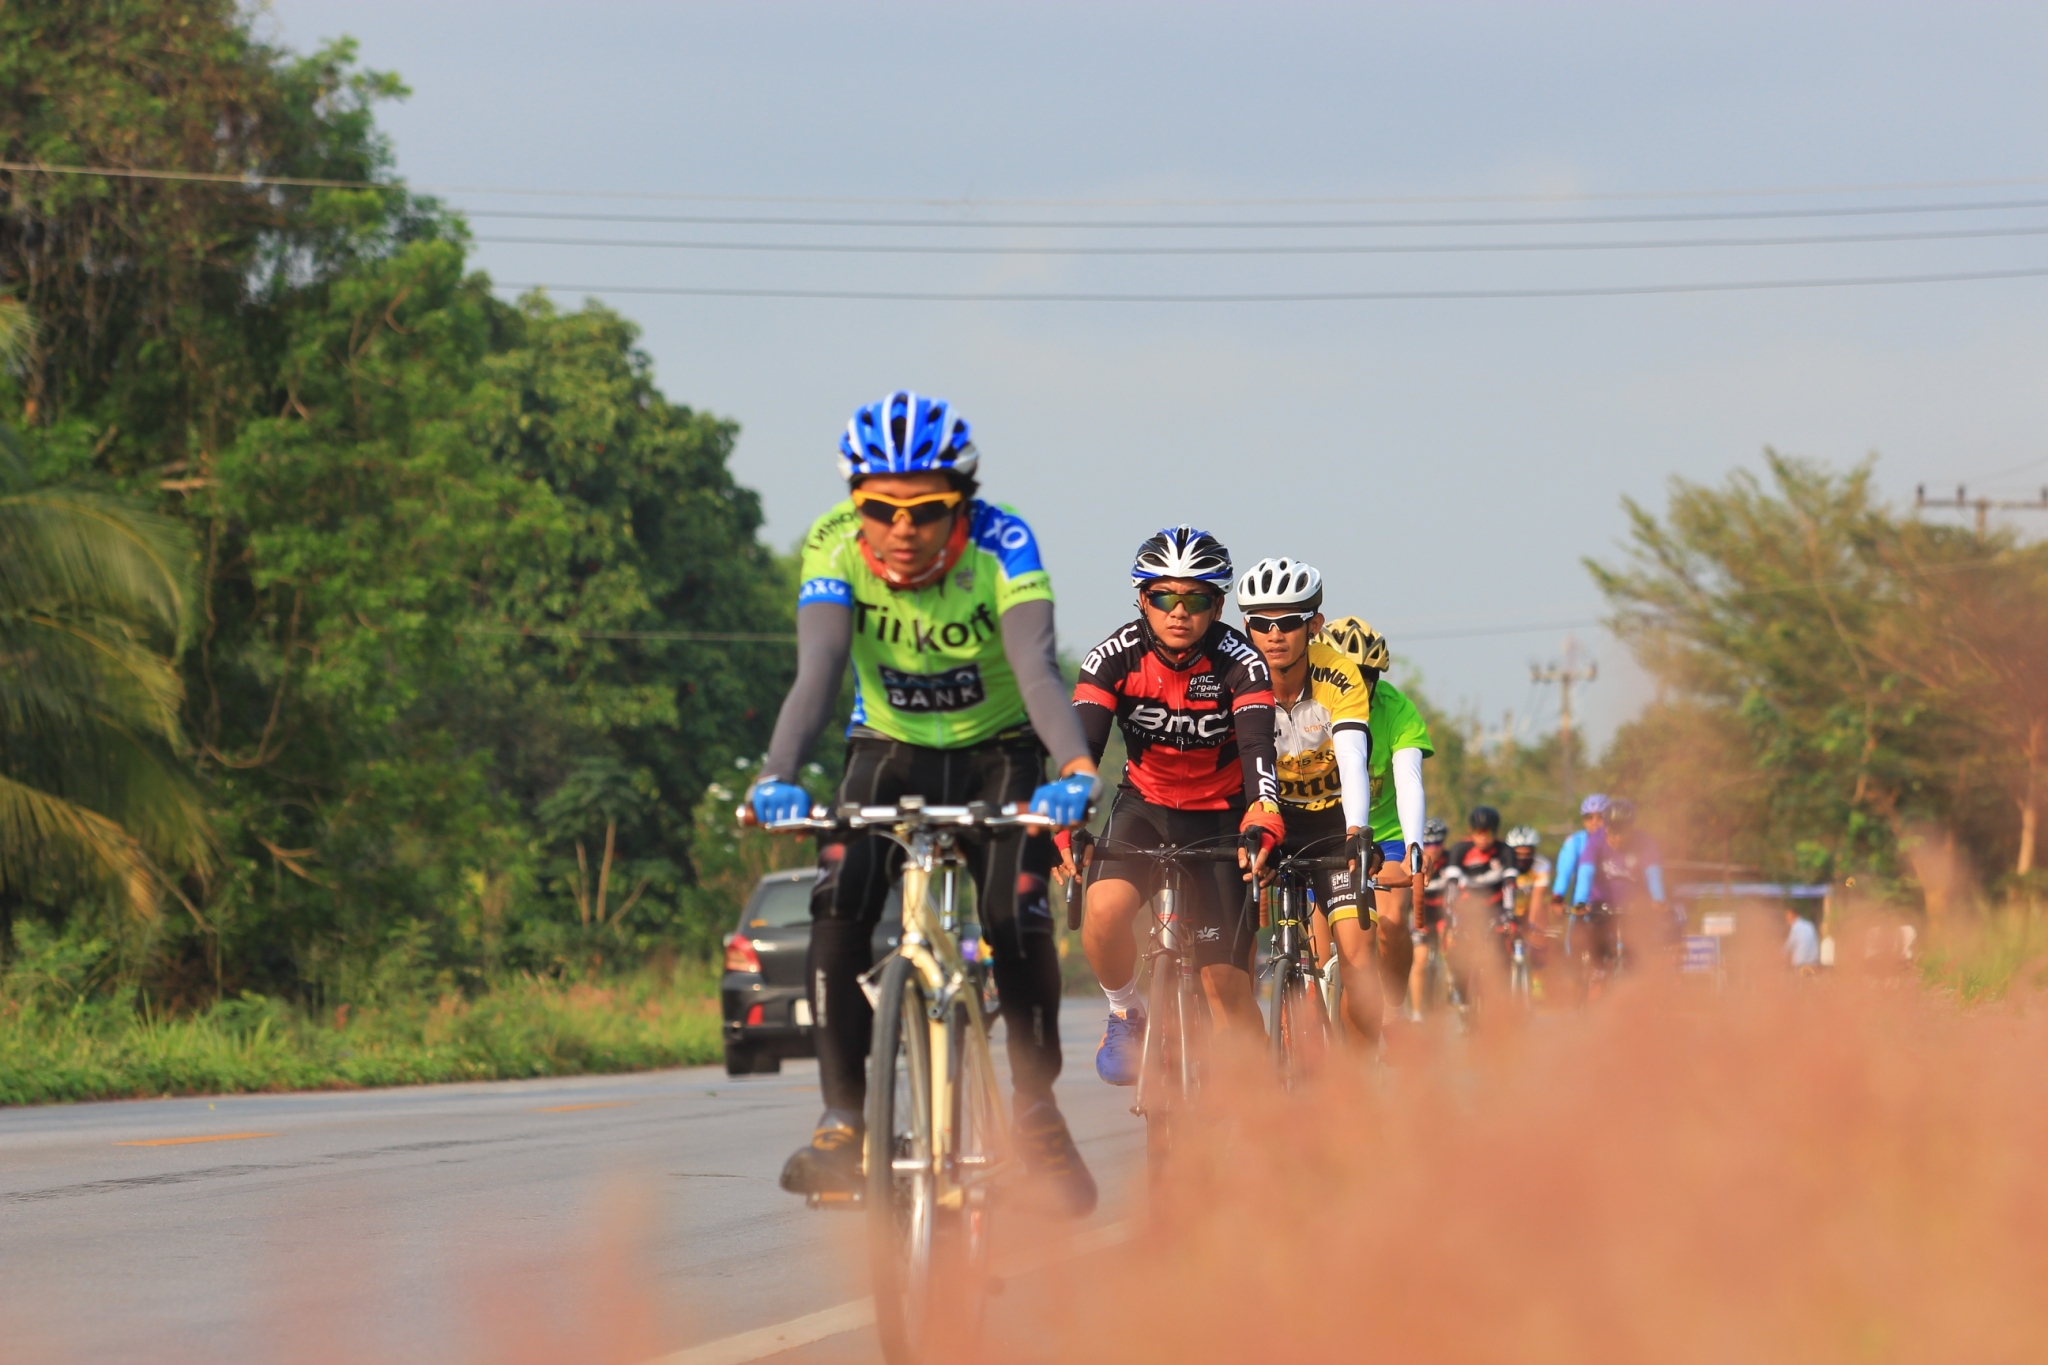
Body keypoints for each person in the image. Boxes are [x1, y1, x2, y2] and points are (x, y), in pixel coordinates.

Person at [745, 391, 1101, 1215]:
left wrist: (1077, 767)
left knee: (1015, 913)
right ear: (855, 504)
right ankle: (843, 1120)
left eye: (927, 510)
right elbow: (819, 669)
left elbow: (1037, 668)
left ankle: (1037, 1111)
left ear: (962, 505)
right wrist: (776, 772)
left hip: (998, 752)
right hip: (889, 747)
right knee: (838, 901)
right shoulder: (833, 544)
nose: (901, 529)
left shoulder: (1005, 545)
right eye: (880, 509)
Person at [1064, 526, 1283, 1085]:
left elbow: (1258, 747)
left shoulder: (1242, 662)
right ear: (1143, 600)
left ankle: (1262, 1110)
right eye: (1164, 597)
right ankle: (1125, 1012)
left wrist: (1264, 810)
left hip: (1221, 815)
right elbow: (1082, 750)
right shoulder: (1112, 658)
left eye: (1196, 599)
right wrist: (1067, 817)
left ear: (1219, 606)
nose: (1179, 611)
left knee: (1225, 987)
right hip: (1146, 806)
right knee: (1104, 913)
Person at [1233, 558, 1381, 1045]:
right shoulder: (1234, 674)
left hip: (1331, 824)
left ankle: (1357, 1081)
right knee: (1224, 951)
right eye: (1261, 623)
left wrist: (1357, 830)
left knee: (1359, 959)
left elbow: (1354, 757)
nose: (1274, 634)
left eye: (1288, 622)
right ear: (1246, 627)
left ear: (1314, 624)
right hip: (1264, 817)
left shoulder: (1339, 675)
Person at [1314, 617, 1431, 1022]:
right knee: (1316, 958)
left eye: (1366, 675)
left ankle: (1395, 1012)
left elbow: (1409, 779)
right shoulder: (1305, 704)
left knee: (1392, 921)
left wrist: (1415, 846)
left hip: (1384, 835)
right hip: (1322, 834)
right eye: (1346, 673)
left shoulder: (1397, 709)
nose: (1357, 684)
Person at [1568, 797, 1669, 979]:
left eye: (1622, 833)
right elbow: (1585, 872)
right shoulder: (1596, 840)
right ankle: (1596, 975)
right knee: (1594, 940)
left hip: (1633, 906)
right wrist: (1581, 900)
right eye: (1612, 833)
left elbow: (1653, 874)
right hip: (1601, 904)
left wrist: (1658, 899)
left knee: (1641, 947)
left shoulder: (1644, 842)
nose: (1617, 838)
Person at [1443, 806, 1520, 984]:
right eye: (1479, 832)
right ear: (1471, 831)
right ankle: (1459, 988)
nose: (1483, 838)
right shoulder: (1460, 849)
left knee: (1501, 948)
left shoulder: (1505, 851)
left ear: (1496, 832)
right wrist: (1450, 911)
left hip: (1496, 906)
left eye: (1488, 833)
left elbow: (1509, 885)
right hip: (1469, 906)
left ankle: (1501, 990)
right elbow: (1452, 885)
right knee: (1459, 948)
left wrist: (1509, 913)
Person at [1407, 816, 1451, 1020]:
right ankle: (1417, 1013)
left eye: (1438, 843)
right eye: (1428, 844)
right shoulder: (1413, 863)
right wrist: (1418, 921)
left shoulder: (1451, 861)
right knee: (1420, 959)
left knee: (1452, 946)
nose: (1433, 848)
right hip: (1419, 914)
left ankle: (1453, 993)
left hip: (1443, 914)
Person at [1784, 907, 1821, 974]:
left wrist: (1782, 954)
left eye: (1789, 918)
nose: (1788, 921)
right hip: (1813, 961)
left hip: (1800, 962)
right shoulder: (1809, 924)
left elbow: (1790, 944)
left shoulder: (1795, 926)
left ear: (1795, 916)